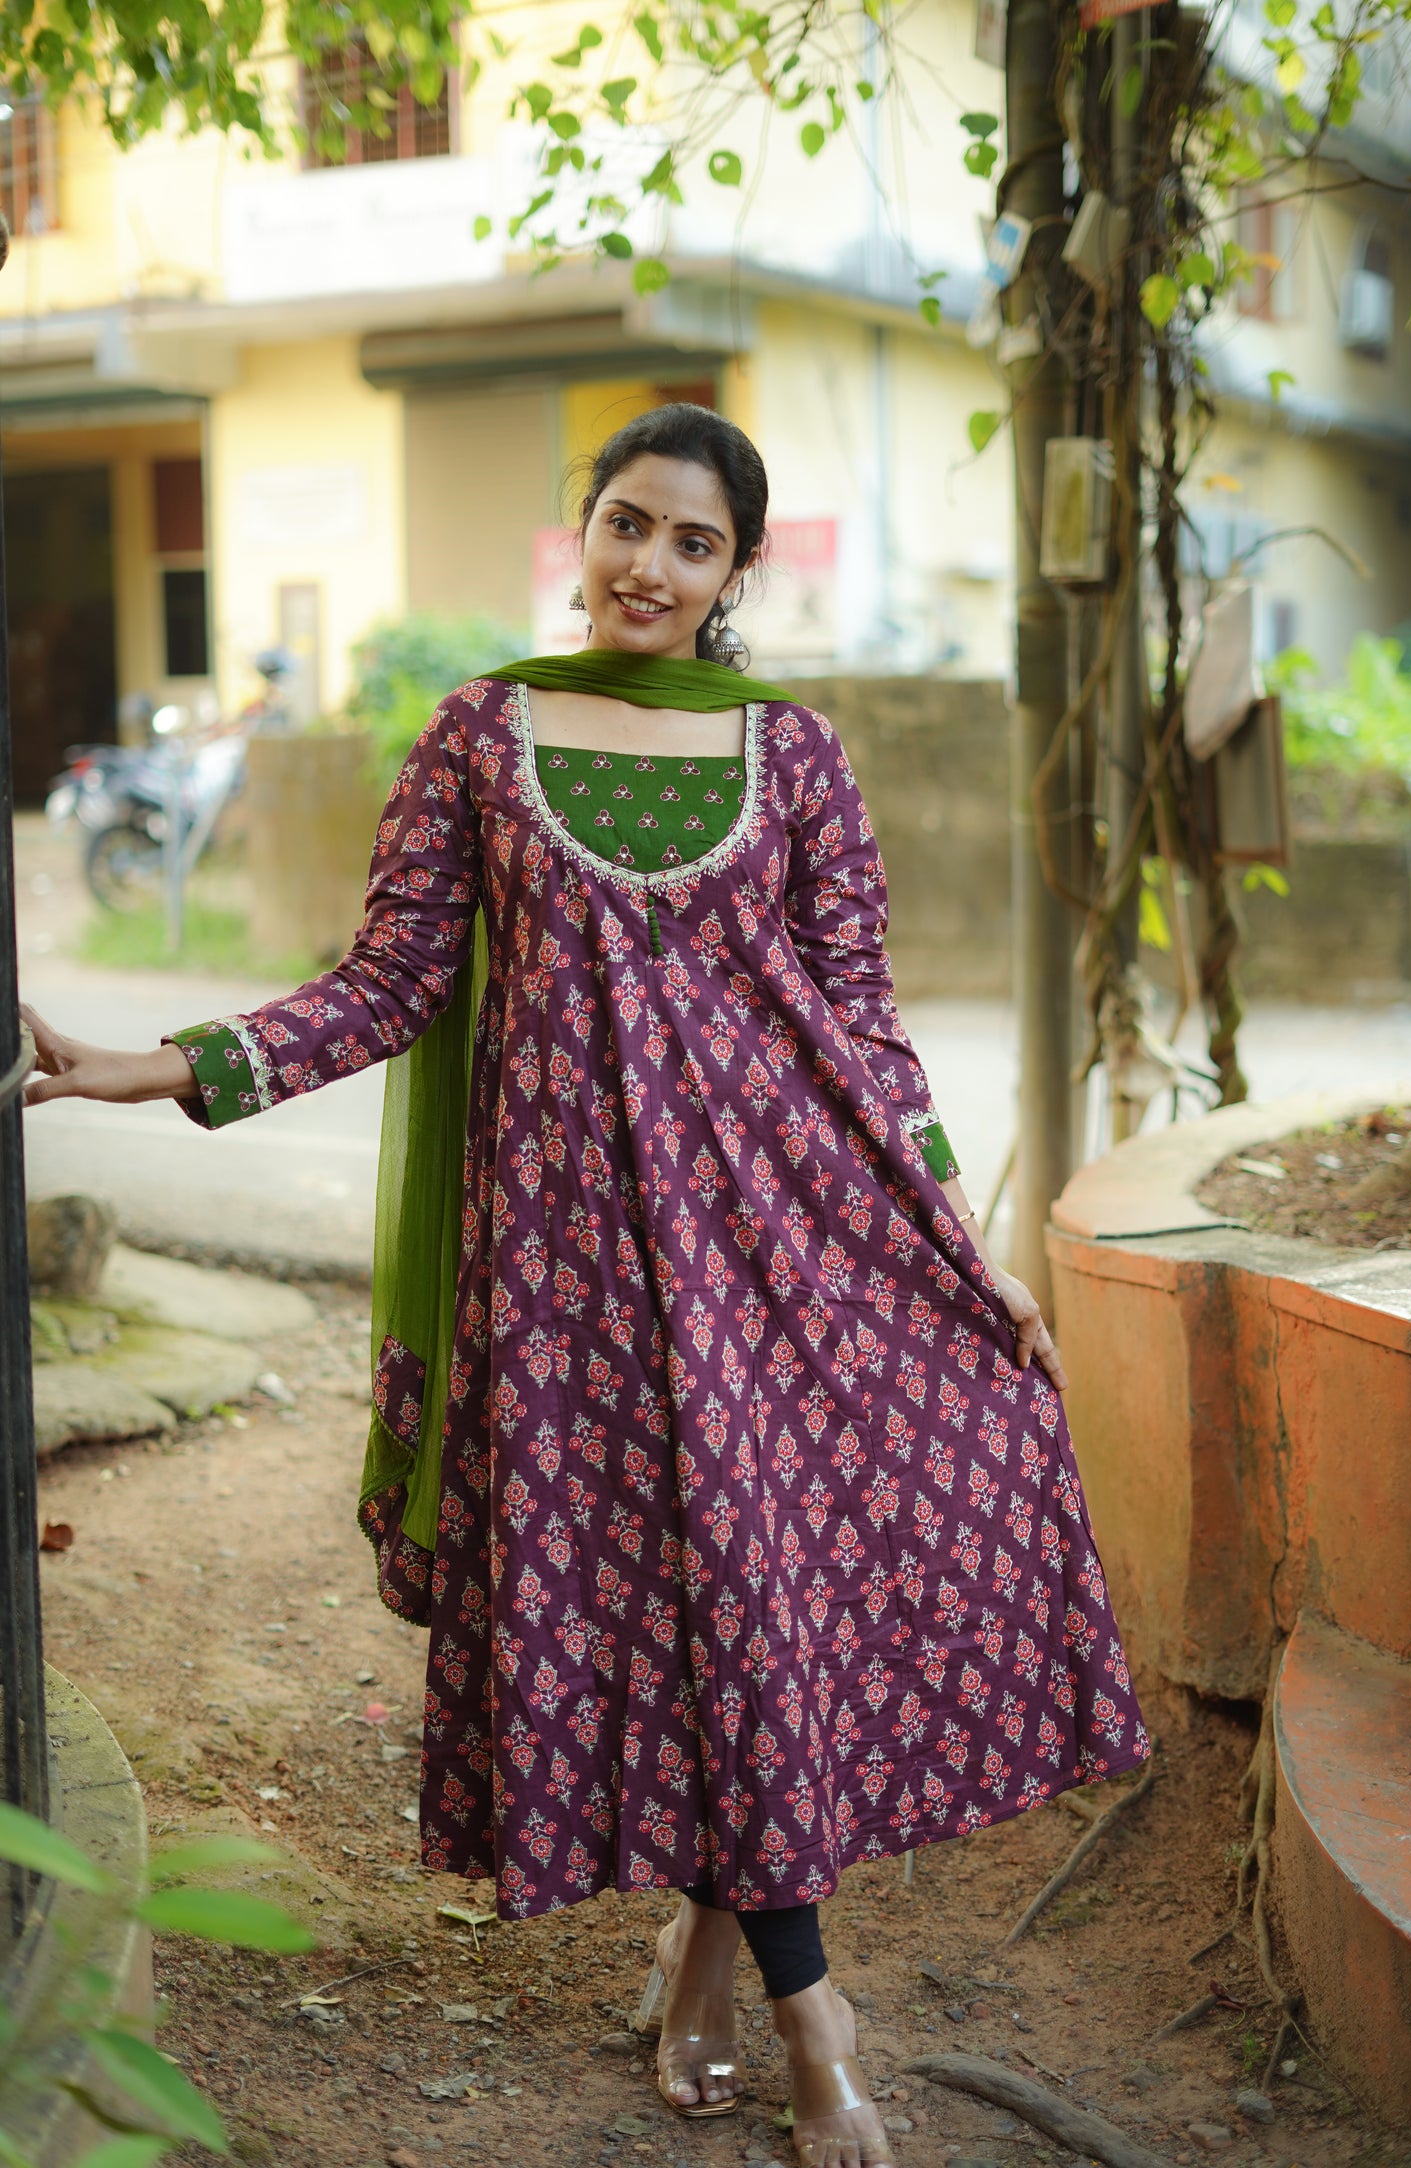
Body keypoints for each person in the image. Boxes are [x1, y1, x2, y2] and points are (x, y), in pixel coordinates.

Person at [24, 403, 1148, 2168]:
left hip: (784, 1243)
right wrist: (152, 1066)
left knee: (765, 1592)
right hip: (566, 1281)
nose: (648, 564)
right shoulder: (482, 733)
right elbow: (386, 983)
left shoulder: (796, 754)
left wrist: (957, 1243)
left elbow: (862, 1026)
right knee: (680, 1595)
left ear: (733, 575)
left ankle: (783, 1999)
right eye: (626, 523)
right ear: (586, 530)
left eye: (691, 543)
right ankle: (778, 1995)